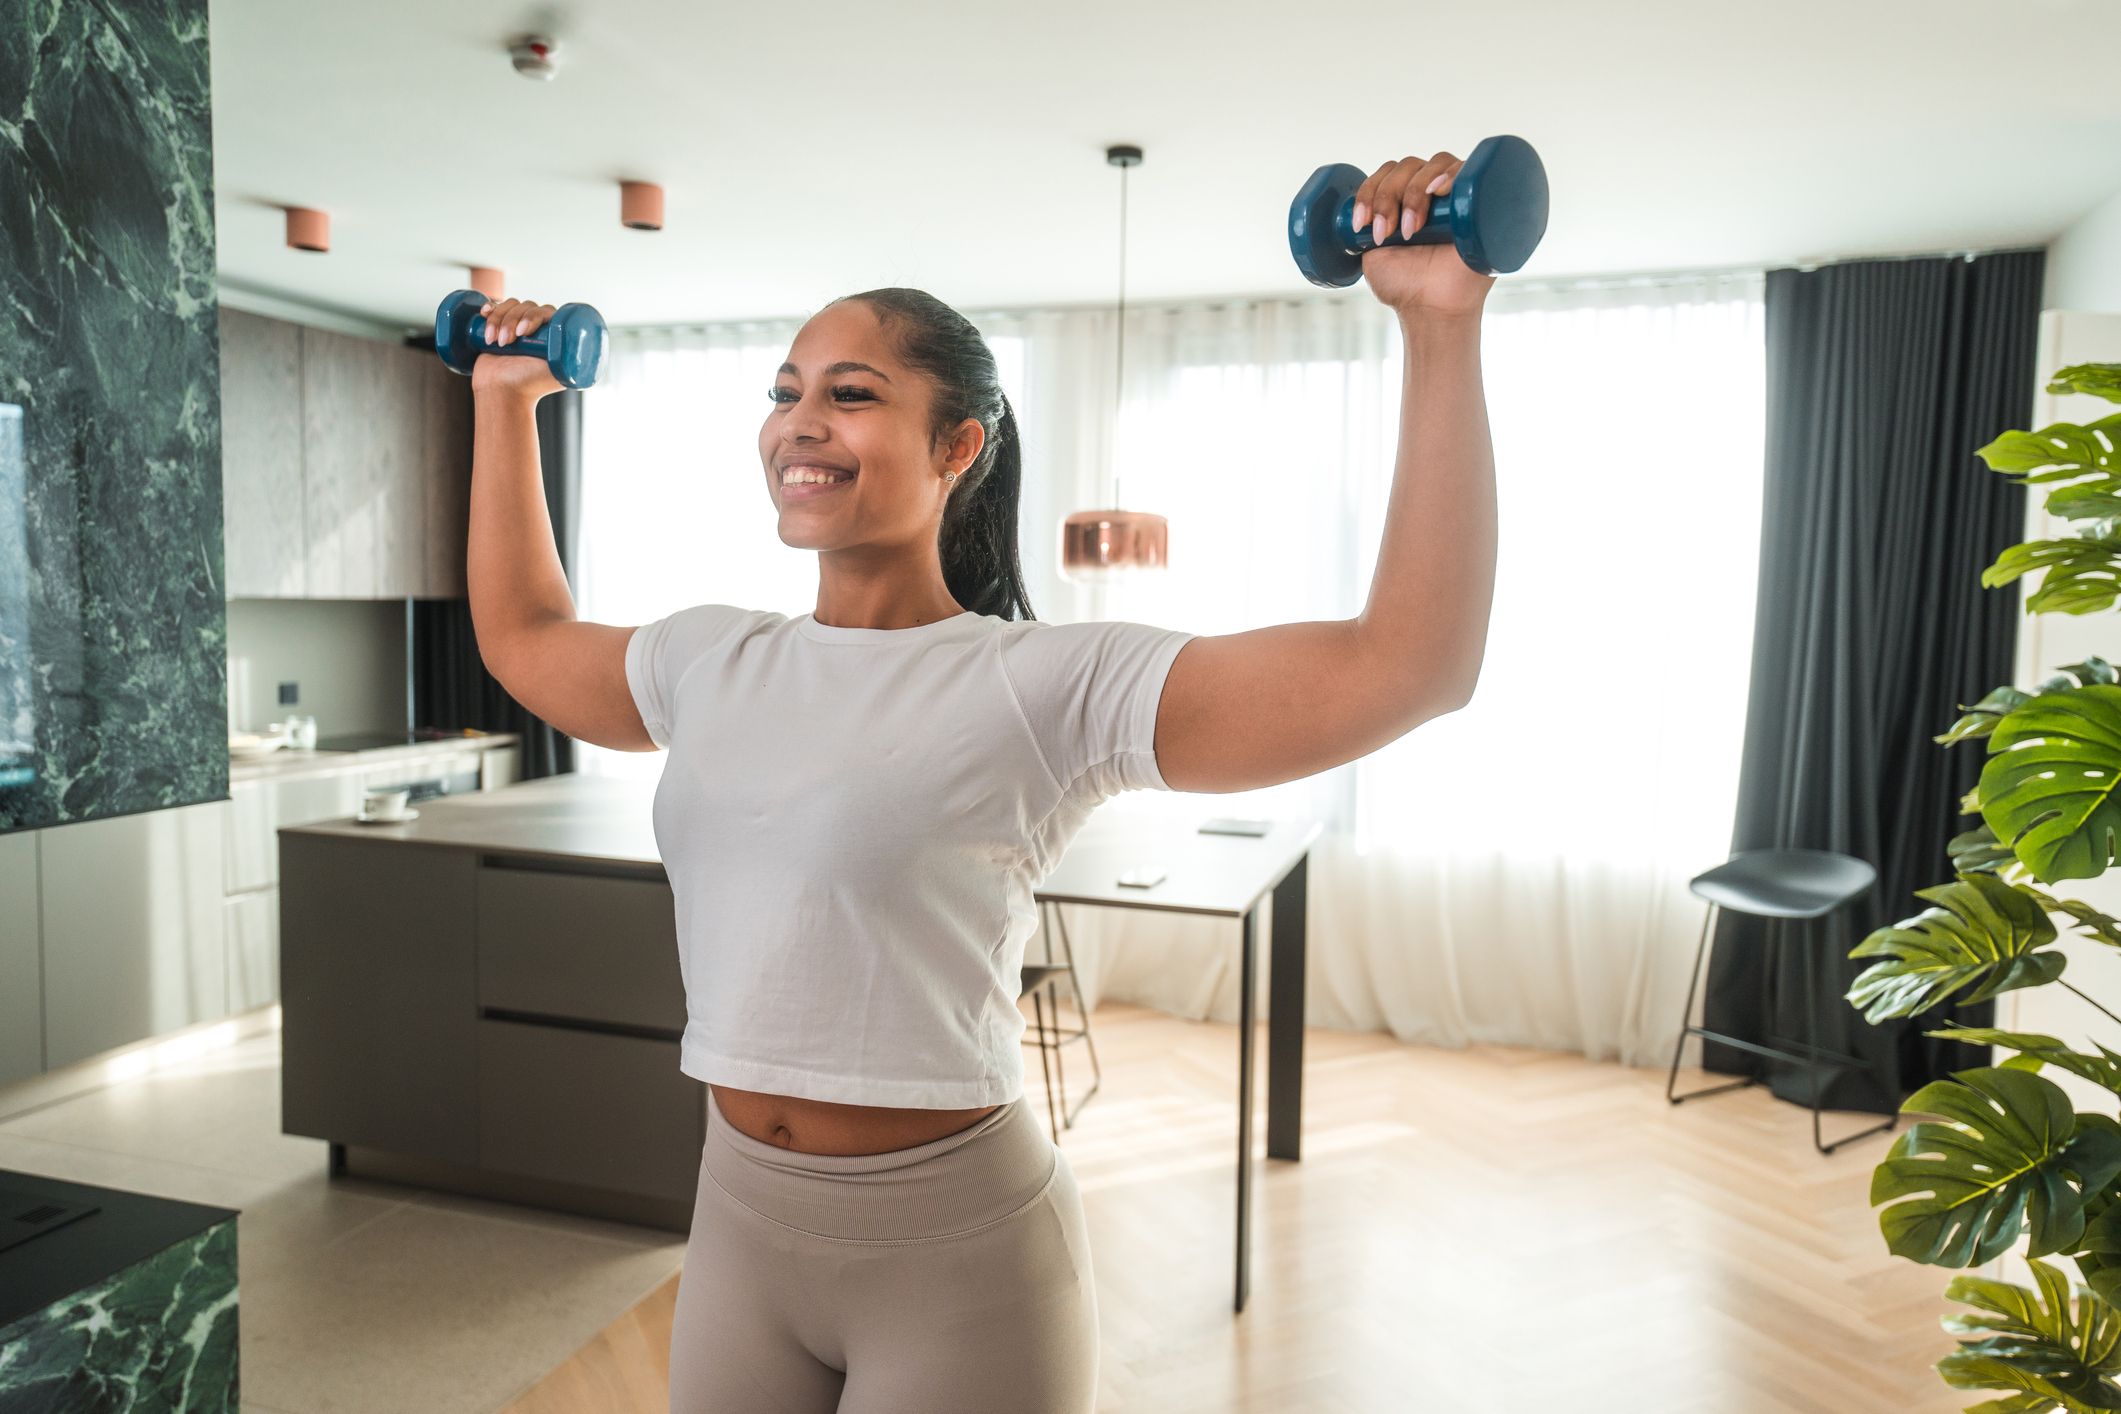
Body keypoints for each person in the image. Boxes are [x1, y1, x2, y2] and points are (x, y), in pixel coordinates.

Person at [464, 149, 1496, 1414]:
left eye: (851, 394)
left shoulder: (1042, 682)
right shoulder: (706, 656)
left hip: (955, 1258)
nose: (800, 421)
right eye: (786, 390)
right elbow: (520, 632)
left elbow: (1407, 666)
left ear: (957, 444)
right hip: (738, 1216)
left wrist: (1441, 326)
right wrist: (505, 401)